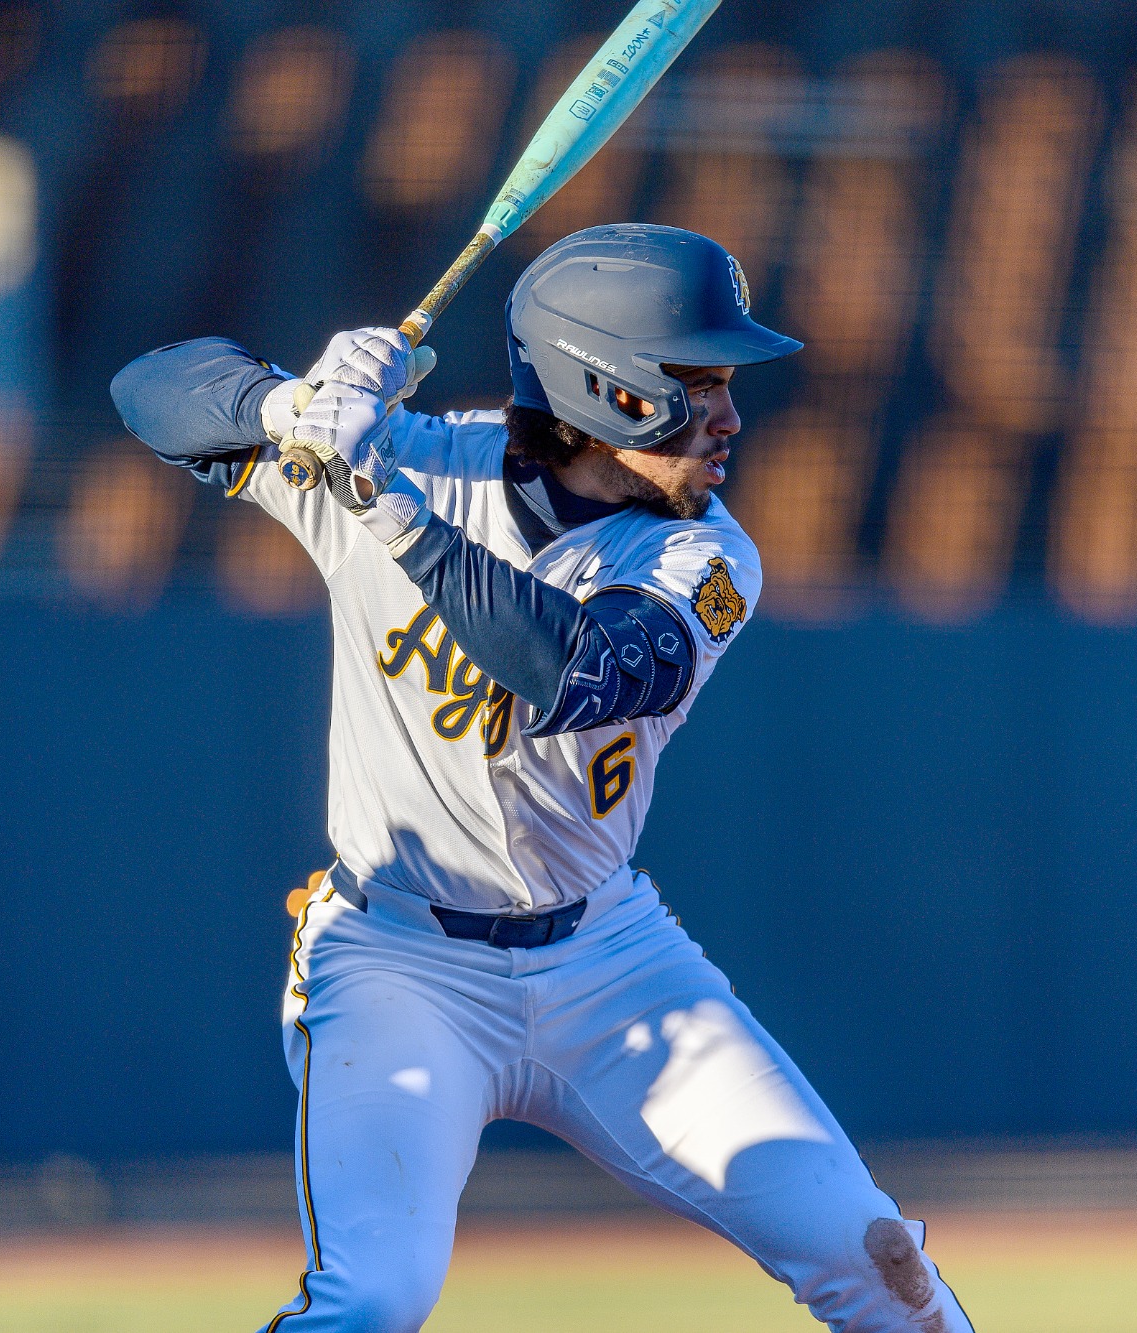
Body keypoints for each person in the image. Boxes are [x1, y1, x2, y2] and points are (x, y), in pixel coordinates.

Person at [111, 224, 973, 1332]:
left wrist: (387, 509)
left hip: (611, 962)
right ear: (607, 391)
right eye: (696, 382)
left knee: (878, 1258)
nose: (729, 418)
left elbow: (576, 667)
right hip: (397, 962)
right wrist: (282, 407)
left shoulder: (703, 557)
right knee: (371, 1298)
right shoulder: (416, 456)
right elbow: (149, 391)